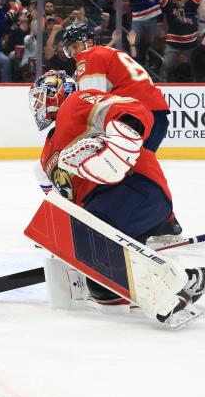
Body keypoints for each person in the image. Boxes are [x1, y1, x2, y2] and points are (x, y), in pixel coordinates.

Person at [29, 70, 203, 315]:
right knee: (105, 291)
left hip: (133, 189)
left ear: (57, 94)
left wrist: (125, 135)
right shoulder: (46, 155)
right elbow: (66, 201)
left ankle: (182, 282)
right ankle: (130, 290)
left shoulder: (77, 101)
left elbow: (129, 108)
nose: (37, 105)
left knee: (93, 245)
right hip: (106, 209)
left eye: (40, 97)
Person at [60, 23, 182, 244]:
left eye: (75, 46)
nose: (74, 53)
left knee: (130, 164)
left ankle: (153, 219)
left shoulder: (89, 56)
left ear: (87, 42)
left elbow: (91, 97)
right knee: (140, 163)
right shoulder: (112, 53)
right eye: (70, 50)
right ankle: (164, 221)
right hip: (152, 113)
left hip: (133, 116)